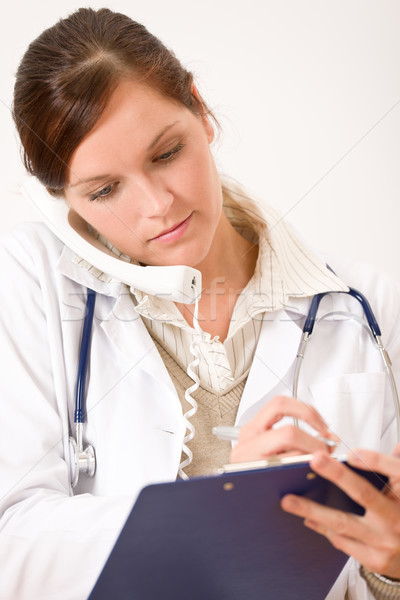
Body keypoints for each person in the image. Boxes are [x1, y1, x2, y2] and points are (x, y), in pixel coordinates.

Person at [1, 6, 400, 599]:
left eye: (166, 153)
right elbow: (13, 546)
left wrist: (391, 564)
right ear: (64, 204)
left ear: (201, 111)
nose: (157, 205)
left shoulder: (371, 306)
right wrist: (223, 513)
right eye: (105, 190)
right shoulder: (31, 280)